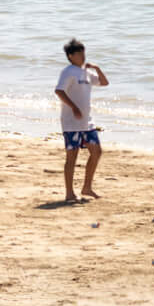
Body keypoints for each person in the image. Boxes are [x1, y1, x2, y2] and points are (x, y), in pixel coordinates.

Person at [55, 39, 109, 203]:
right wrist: (74, 108)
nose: (83, 56)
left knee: (97, 151)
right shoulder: (68, 71)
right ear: (71, 56)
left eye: (84, 52)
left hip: (87, 123)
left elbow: (104, 83)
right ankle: (69, 193)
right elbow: (59, 91)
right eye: (79, 53)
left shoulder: (86, 72)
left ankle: (87, 187)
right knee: (72, 157)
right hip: (71, 123)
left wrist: (97, 69)